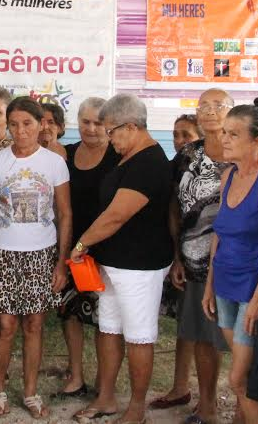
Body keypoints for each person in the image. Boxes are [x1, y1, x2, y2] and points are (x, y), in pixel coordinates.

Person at [70, 94, 173, 424]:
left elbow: (116, 215)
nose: (108, 137)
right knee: (109, 330)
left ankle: (137, 408)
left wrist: (82, 242)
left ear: (131, 127)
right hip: (113, 262)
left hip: (139, 266)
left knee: (138, 336)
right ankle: (107, 398)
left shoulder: (150, 162)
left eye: (111, 130)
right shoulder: (129, 156)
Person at [203, 99, 258, 424]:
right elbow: (220, 233)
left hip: (254, 289)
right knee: (246, 378)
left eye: (233, 134)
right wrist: (209, 286)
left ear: (257, 140)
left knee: (240, 380)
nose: (224, 139)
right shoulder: (229, 175)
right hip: (226, 284)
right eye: (224, 132)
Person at [0, 96, 71, 419]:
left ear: (41, 125)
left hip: (41, 253)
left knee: (34, 324)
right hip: (2, 252)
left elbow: (64, 212)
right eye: (14, 124)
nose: (20, 131)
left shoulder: (54, 163)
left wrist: (62, 262)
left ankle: (30, 392)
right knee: (5, 325)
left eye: (27, 124)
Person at [161, 89, 232, 424]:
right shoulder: (188, 155)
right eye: (203, 106)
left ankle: (246, 411)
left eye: (218, 105)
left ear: (232, 111)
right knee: (202, 336)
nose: (210, 111)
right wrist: (177, 255)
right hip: (193, 262)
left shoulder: (243, 150)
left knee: (239, 340)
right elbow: (173, 205)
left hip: (234, 264)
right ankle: (207, 406)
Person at [59, 97, 118, 398]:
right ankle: (76, 376)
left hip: (107, 250)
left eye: (99, 122)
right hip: (71, 250)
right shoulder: (66, 155)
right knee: (69, 313)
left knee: (104, 320)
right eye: (86, 122)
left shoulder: (119, 157)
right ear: (77, 122)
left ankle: (105, 384)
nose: (92, 129)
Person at [150, 112, 203, 411]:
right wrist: (175, 255)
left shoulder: (215, 162)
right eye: (176, 134)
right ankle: (180, 387)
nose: (180, 140)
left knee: (209, 330)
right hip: (182, 254)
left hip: (210, 258)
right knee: (186, 324)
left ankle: (207, 399)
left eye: (187, 135)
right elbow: (169, 207)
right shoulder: (175, 166)